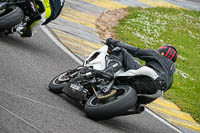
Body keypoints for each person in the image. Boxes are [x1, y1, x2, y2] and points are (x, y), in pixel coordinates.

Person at [104, 38, 178, 112]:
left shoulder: (157, 55)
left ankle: (108, 73)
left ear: (162, 51)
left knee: (119, 50)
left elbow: (136, 51)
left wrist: (114, 42)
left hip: (150, 76)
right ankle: (134, 105)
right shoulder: (171, 78)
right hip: (155, 92)